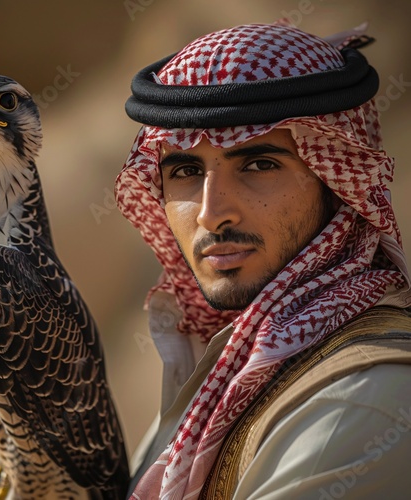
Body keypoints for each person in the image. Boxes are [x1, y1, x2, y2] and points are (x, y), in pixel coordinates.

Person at [116, 21, 411, 499]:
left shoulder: (361, 403)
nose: (213, 214)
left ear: (337, 182)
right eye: (187, 170)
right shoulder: (227, 365)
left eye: (259, 164)